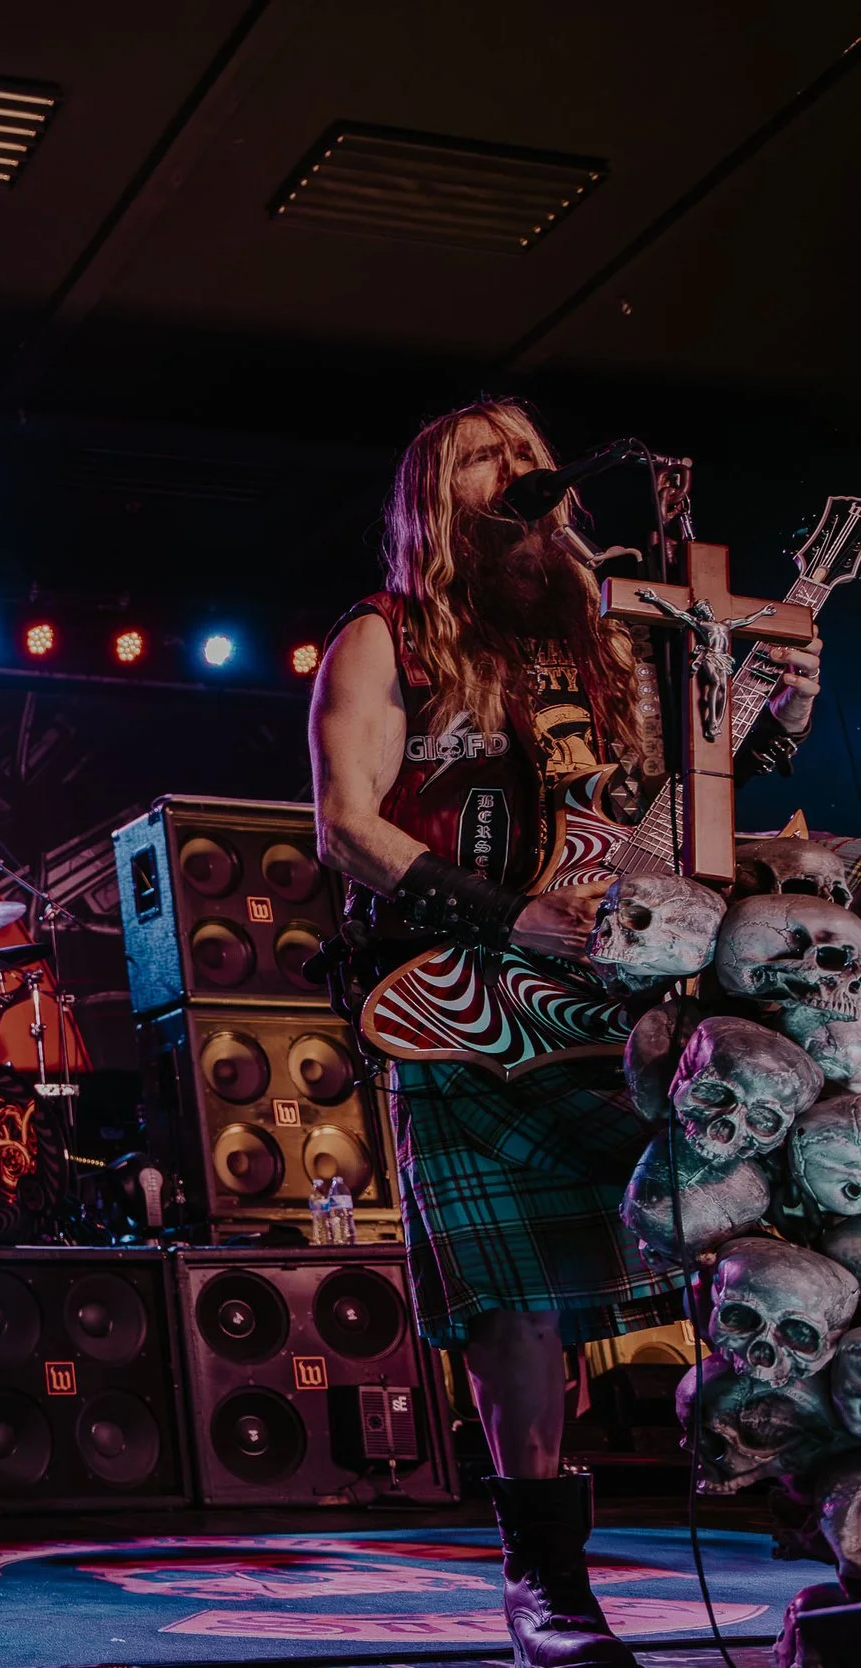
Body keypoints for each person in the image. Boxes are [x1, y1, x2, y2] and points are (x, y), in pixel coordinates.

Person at [310, 399, 819, 1668]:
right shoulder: (385, 638)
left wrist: (775, 721)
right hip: (461, 1006)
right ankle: (546, 1583)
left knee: (754, 1233)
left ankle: (809, 1489)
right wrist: (506, 914)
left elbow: (676, 801)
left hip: (621, 1012)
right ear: (434, 497)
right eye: (484, 459)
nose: (517, 473)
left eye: (528, 457)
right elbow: (346, 826)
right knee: (512, 1305)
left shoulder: (612, 635)